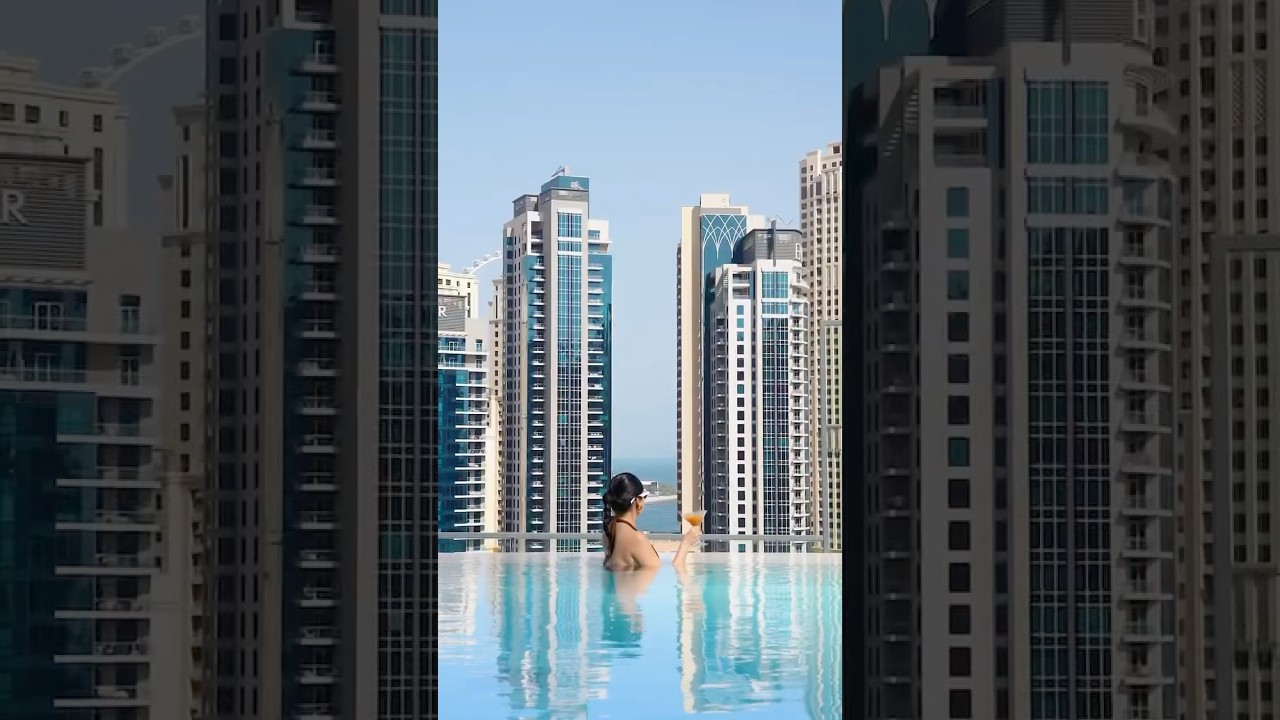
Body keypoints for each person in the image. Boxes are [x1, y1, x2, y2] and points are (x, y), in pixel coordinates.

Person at [602, 472, 700, 570]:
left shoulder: (608, 532)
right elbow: (673, 572)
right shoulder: (637, 539)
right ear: (638, 501)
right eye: (644, 497)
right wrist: (686, 543)